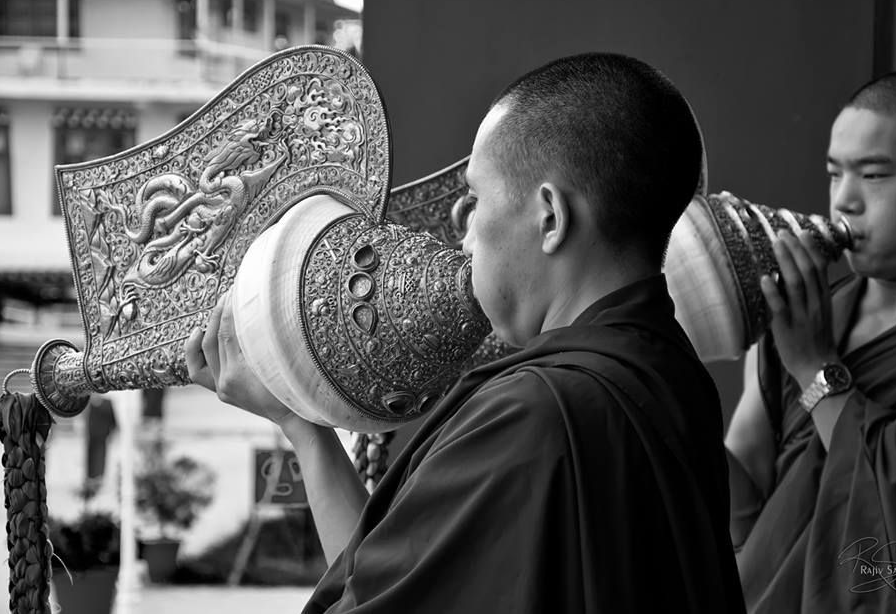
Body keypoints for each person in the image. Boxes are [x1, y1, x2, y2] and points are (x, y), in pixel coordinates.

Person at [187, 53, 744, 613]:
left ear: (550, 217)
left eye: (475, 199)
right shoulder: (675, 379)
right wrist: (300, 422)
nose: (465, 231)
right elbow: (387, 580)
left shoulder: (533, 413)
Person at [725, 68, 896, 613]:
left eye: (873, 176)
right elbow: (747, 494)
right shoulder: (802, 314)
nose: (844, 202)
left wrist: (814, 367)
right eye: (834, 175)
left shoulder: (810, 335)